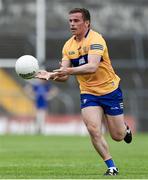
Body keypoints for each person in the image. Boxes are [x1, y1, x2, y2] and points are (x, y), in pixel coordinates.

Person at [35, 8, 132, 175]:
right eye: (70, 21)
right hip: (88, 93)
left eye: (76, 21)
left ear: (87, 23)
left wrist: (68, 71)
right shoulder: (68, 46)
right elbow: (64, 75)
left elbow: (92, 67)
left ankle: (125, 129)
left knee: (117, 135)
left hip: (110, 90)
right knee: (93, 128)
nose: (72, 24)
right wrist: (51, 75)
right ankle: (111, 167)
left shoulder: (96, 39)